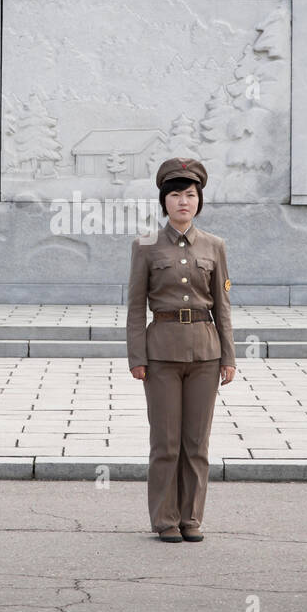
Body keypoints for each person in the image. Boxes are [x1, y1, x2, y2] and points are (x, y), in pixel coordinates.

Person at [126, 157, 236, 543]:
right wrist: (137, 358)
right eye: (175, 195)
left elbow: (222, 306)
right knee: (166, 442)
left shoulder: (214, 246)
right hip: (161, 354)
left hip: (205, 354)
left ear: (199, 200)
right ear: (164, 202)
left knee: (196, 443)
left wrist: (229, 356)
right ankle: (165, 519)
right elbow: (136, 307)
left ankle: (191, 518)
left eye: (190, 195)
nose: (183, 201)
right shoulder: (145, 246)